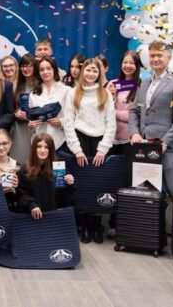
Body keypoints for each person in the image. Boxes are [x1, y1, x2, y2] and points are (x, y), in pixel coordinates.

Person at [63, 58, 116, 244]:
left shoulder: (105, 94)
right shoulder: (73, 93)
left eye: (95, 71)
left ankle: (96, 225)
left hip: (99, 144)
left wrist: (103, 149)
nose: (91, 74)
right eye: (88, 70)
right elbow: (68, 122)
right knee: (81, 184)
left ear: (99, 73)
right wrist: (77, 150)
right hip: (80, 142)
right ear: (82, 71)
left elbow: (111, 123)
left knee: (98, 185)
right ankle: (85, 225)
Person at [129, 41, 173, 198]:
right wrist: (134, 133)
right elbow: (134, 111)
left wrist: (165, 142)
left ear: (169, 58)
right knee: (148, 192)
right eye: (152, 56)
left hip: (167, 147)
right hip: (144, 146)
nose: (155, 59)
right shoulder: (143, 83)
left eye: (159, 55)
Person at [17, 133, 74, 219]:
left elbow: (64, 198)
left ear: (51, 150)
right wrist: (31, 204)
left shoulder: (58, 168)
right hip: (33, 217)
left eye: (46, 147)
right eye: (39, 147)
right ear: (34, 149)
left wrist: (69, 185)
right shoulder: (24, 170)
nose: (42, 150)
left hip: (55, 216)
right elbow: (21, 195)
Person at [28, 56, 71, 154]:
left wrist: (61, 122)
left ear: (54, 70)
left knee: (59, 164)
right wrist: (31, 125)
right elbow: (32, 119)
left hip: (61, 141)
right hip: (39, 143)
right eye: (42, 69)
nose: (45, 72)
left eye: (48, 68)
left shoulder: (67, 91)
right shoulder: (33, 94)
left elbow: (73, 117)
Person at [108, 51, 142, 173]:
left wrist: (112, 112)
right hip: (110, 139)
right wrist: (112, 98)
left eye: (131, 63)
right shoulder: (112, 84)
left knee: (127, 174)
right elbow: (104, 110)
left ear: (137, 66)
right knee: (110, 174)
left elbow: (132, 116)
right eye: (125, 62)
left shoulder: (141, 86)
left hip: (129, 140)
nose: (127, 66)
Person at [10, 54, 38, 164]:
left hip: (37, 127)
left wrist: (29, 117)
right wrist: (16, 113)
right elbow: (10, 108)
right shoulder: (15, 85)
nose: (25, 69)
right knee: (19, 161)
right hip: (19, 129)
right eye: (22, 66)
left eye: (29, 66)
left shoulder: (41, 85)